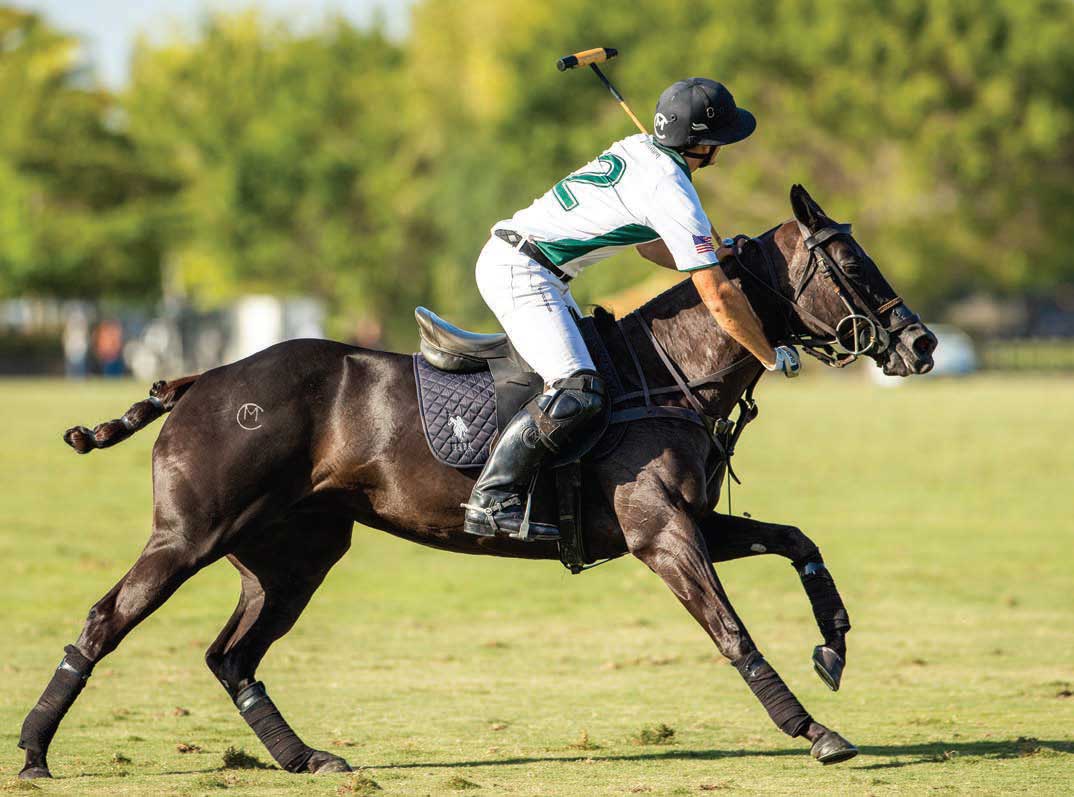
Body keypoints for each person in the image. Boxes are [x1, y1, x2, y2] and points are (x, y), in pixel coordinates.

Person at [463, 78, 800, 542]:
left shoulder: (641, 149)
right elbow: (718, 298)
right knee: (578, 388)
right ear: (702, 146)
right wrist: (768, 354)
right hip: (521, 271)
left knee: (601, 383)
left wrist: (710, 254)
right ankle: (491, 498)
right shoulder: (672, 190)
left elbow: (651, 249)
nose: (723, 150)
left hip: (533, 266)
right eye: (720, 141)